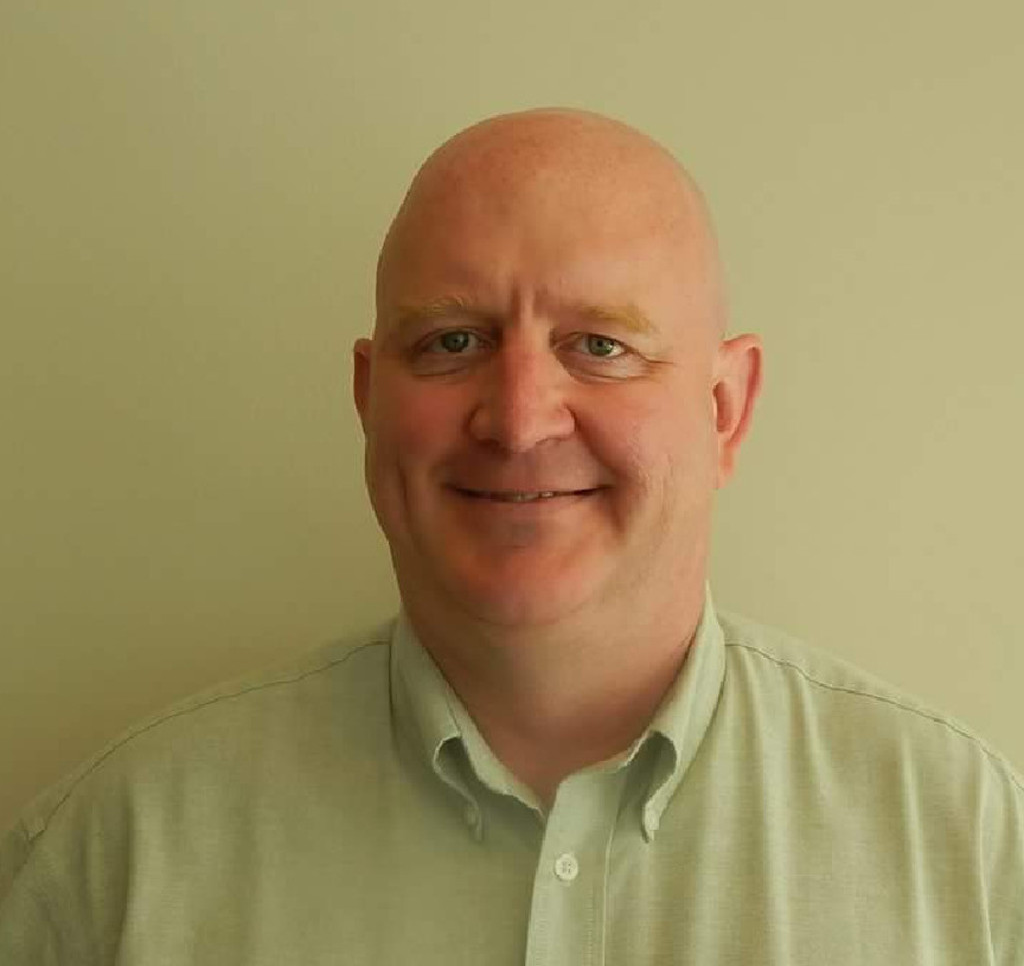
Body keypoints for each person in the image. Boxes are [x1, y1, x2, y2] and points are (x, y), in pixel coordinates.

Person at [1, 108, 1021, 964]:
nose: (521, 418)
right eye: (453, 341)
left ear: (724, 410)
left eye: (600, 345)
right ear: (368, 399)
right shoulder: (113, 863)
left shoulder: (969, 851)